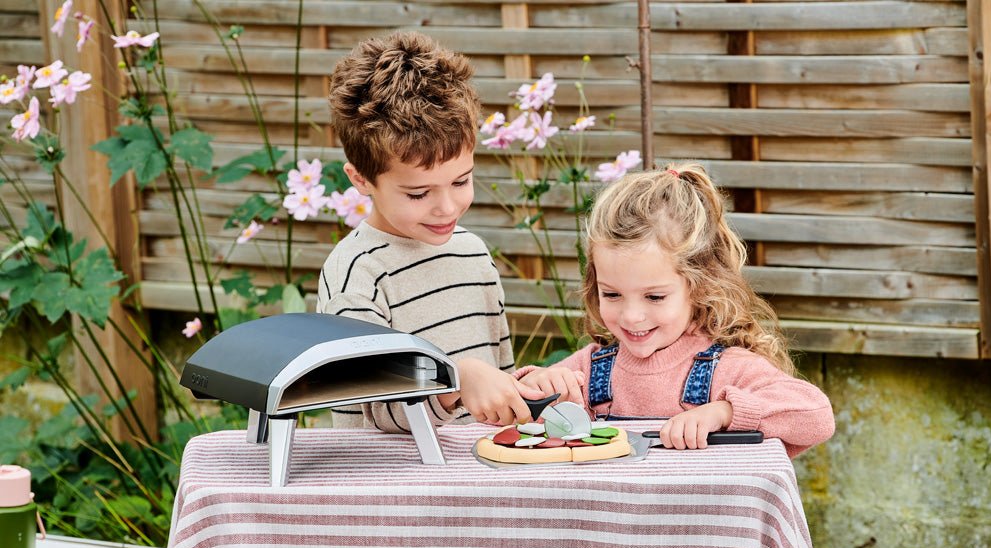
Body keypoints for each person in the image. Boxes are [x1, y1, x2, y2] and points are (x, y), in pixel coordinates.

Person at [317, 31, 557, 431]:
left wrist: (531, 386)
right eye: (418, 193)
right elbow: (377, 410)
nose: (447, 207)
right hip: (388, 471)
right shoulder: (357, 275)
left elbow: (497, 386)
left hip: (471, 466)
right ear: (361, 179)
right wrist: (456, 379)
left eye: (461, 181)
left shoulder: (472, 254)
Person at [516, 164, 835, 458]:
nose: (631, 316)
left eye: (654, 297)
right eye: (612, 294)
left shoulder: (727, 369)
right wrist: (540, 383)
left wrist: (724, 412)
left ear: (699, 287)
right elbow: (512, 409)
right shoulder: (588, 370)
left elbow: (816, 415)